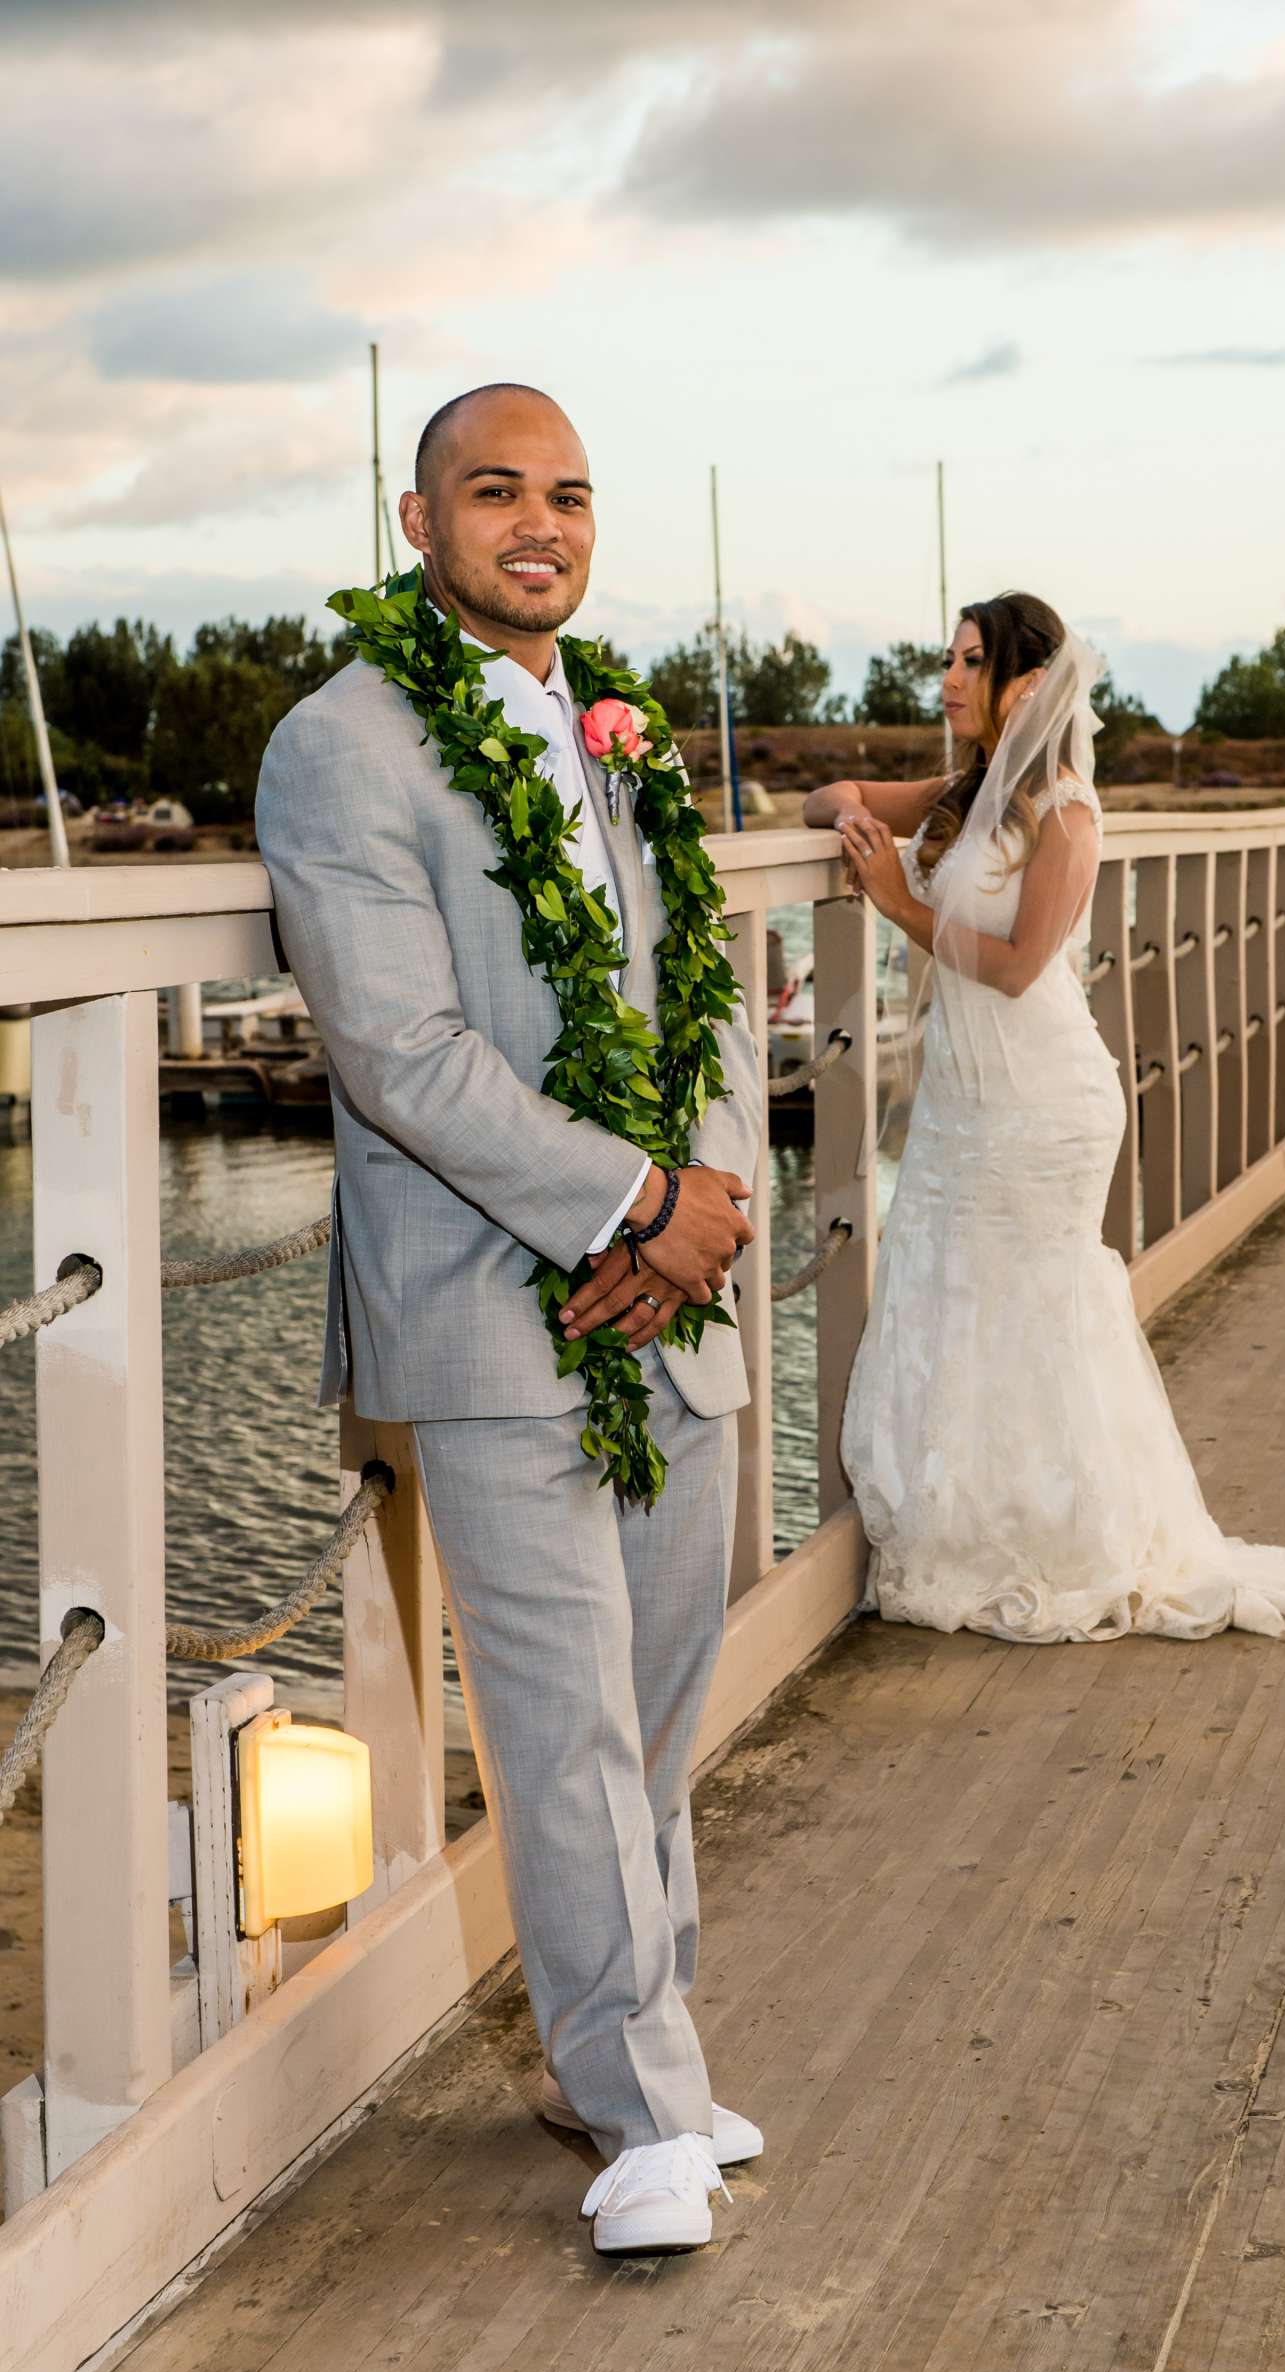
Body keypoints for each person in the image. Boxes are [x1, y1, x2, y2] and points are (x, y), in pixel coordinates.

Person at [256, 384, 764, 2258]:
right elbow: (398, 1051)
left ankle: (624, 2057)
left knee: (653, 1724)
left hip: (670, 1296)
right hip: (489, 1308)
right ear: (420, 520)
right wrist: (629, 1201)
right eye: (496, 492)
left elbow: (699, 992)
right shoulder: (344, 745)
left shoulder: (621, 736)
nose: (537, 523)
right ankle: (642, 2115)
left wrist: (699, 1210)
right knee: (554, 1731)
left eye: (565, 493)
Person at [804, 591, 1285, 1644]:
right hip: (964, 1104)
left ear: (1027, 682)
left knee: (1034, 1311)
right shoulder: (964, 792)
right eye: (947, 661)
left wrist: (894, 900)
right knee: (948, 1297)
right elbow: (835, 792)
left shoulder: (1067, 813)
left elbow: (1013, 968)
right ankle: (961, 1529)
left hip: (1042, 1102)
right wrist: (849, 819)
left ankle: (1070, 1539)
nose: (948, 680)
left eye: (971, 662)